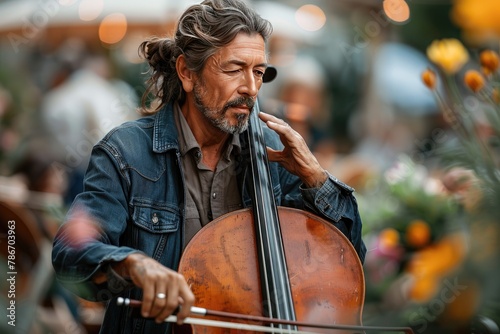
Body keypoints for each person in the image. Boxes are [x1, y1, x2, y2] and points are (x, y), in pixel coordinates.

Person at [52, 0, 366, 333]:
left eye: (259, 72)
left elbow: (347, 261)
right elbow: (70, 254)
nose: (251, 89)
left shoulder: (274, 153)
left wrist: (316, 179)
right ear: (187, 72)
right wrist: (133, 264)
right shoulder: (126, 153)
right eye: (234, 69)